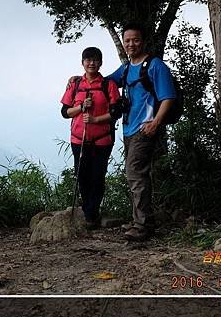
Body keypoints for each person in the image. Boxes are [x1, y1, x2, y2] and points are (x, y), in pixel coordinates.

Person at [104, 22, 176, 241]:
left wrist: (155, 123)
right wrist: (80, 80)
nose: (131, 44)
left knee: (135, 174)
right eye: (127, 40)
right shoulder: (126, 68)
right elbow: (105, 82)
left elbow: (168, 97)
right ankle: (142, 220)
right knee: (137, 175)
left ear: (143, 41)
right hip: (128, 128)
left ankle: (142, 225)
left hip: (144, 129)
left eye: (135, 40)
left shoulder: (154, 66)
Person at [60, 47, 121, 229]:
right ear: (82, 62)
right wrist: (80, 108)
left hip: (102, 140)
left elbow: (116, 111)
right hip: (78, 139)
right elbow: (65, 112)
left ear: (100, 63)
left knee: (97, 176)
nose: (91, 63)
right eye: (88, 60)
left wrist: (96, 119)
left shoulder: (108, 85)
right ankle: (88, 211)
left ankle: (91, 214)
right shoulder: (75, 84)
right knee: (82, 176)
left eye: (95, 60)